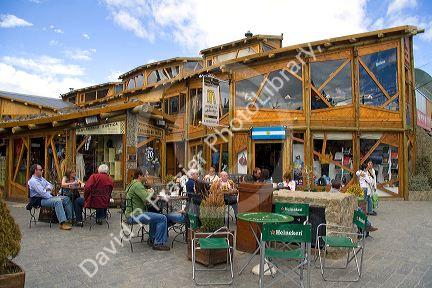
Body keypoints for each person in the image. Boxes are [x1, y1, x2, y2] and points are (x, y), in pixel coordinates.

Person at [125, 168, 171, 251]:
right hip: (135, 215)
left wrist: (147, 190)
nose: (147, 177)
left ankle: (152, 239)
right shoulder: (137, 185)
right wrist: (151, 191)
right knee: (162, 218)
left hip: (131, 214)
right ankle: (158, 243)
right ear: (140, 176)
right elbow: (146, 199)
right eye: (145, 175)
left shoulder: (132, 184)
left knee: (155, 216)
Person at [28, 164, 74, 230]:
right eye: (40, 170)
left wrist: (46, 189)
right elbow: (43, 193)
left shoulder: (41, 178)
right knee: (57, 201)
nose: (42, 171)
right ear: (35, 171)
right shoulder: (33, 181)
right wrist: (48, 192)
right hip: (38, 200)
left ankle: (71, 219)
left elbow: (50, 185)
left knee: (66, 199)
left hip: (46, 197)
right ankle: (62, 223)